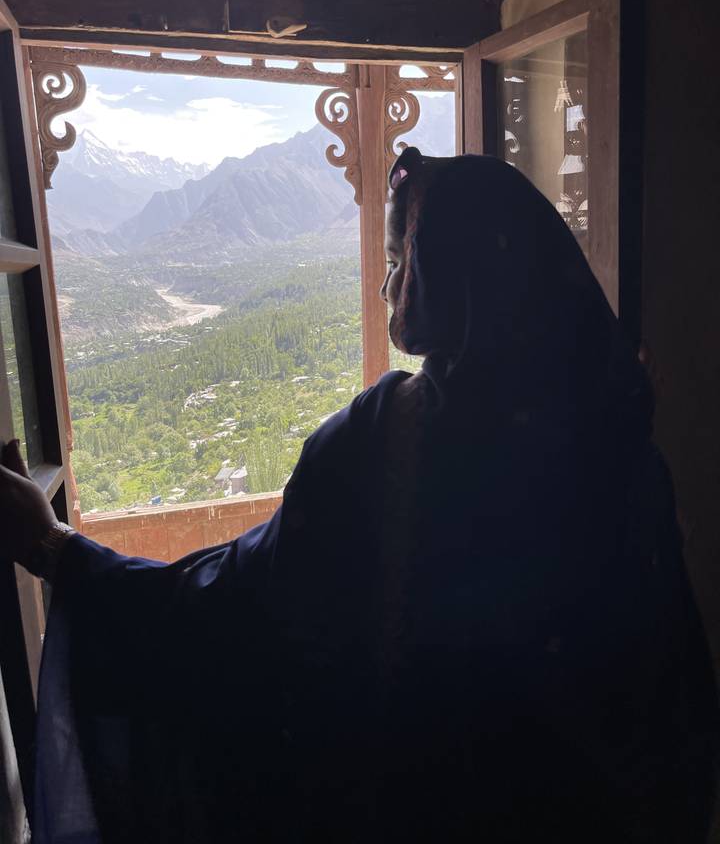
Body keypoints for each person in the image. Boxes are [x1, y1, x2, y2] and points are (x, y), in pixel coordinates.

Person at [0, 149, 716, 844]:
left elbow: (225, 613)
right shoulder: (621, 448)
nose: (388, 289)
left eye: (402, 266)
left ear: (450, 280)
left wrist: (54, 549)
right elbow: (669, 705)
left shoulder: (385, 444)